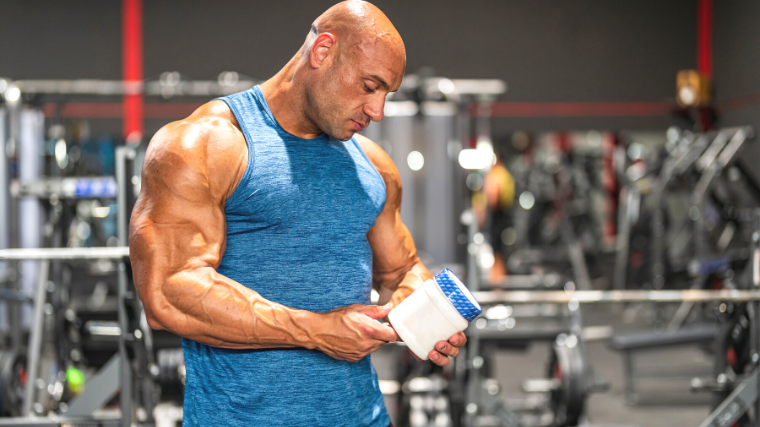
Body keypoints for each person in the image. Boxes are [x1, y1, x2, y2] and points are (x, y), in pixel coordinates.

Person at [128, 2, 466, 426]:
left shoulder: (373, 165)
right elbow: (167, 292)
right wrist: (317, 330)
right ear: (323, 50)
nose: (377, 111)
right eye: (368, 85)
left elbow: (403, 270)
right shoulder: (207, 144)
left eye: (386, 94)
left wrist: (415, 315)